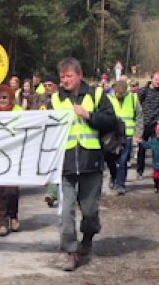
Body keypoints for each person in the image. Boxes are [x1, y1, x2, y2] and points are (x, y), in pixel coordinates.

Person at [51, 57, 116, 271]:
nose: (65, 80)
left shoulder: (96, 94)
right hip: (66, 164)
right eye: (62, 77)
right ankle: (71, 251)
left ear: (79, 75)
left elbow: (111, 121)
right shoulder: (55, 100)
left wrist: (88, 115)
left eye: (69, 76)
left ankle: (88, 236)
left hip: (91, 162)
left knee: (89, 210)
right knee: (66, 211)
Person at [0, 84, 23, 237]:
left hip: (13, 156)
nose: (2, 100)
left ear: (11, 98)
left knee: (11, 190)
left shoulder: (19, 112)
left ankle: (13, 216)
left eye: (5, 97)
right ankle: (2, 223)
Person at [107, 80, 143, 195]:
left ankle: (120, 185)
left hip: (127, 135)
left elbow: (139, 117)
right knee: (110, 160)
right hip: (112, 136)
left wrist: (138, 135)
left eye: (122, 94)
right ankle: (113, 175)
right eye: (118, 94)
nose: (120, 96)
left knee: (123, 161)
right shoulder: (108, 98)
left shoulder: (133, 98)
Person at [33, 74, 60, 206]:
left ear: (57, 86)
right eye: (45, 85)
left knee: (56, 164)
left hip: (58, 136)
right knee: (47, 164)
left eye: (50, 85)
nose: (48, 88)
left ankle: (52, 193)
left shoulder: (62, 98)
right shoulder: (39, 99)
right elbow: (32, 114)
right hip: (43, 136)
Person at [136, 71, 159, 181]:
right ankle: (140, 171)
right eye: (156, 80)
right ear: (151, 79)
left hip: (155, 124)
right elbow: (137, 106)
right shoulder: (143, 91)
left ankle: (157, 174)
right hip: (143, 124)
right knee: (142, 149)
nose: (158, 82)